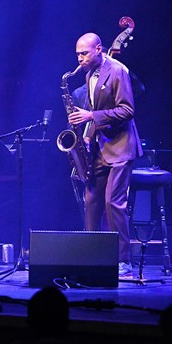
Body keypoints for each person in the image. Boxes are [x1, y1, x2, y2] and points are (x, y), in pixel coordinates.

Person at [67, 33, 142, 277]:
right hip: (100, 147)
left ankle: (123, 261)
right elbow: (95, 110)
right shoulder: (89, 74)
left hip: (120, 147)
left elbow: (127, 110)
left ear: (99, 49)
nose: (80, 58)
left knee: (113, 203)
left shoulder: (118, 70)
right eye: (77, 53)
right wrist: (87, 135)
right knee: (91, 200)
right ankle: (93, 254)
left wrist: (91, 117)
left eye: (84, 53)